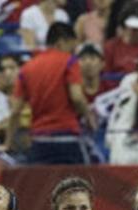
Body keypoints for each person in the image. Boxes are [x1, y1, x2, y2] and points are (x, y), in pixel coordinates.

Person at [9, 23, 97, 165]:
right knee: (80, 184)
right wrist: (89, 116)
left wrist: (8, 142)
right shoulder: (69, 61)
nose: (73, 53)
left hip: (39, 141)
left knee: (39, 186)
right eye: (72, 48)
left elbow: (15, 111)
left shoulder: (27, 68)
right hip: (68, 138)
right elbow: (77, 97)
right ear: (61, 42)